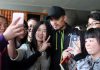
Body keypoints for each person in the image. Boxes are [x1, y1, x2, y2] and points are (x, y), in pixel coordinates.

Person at [47, 6, 84, 70]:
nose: (54, 23)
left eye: (57, 19)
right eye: (51, 20)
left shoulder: (76, 33)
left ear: (64, 18)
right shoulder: (50, 33)